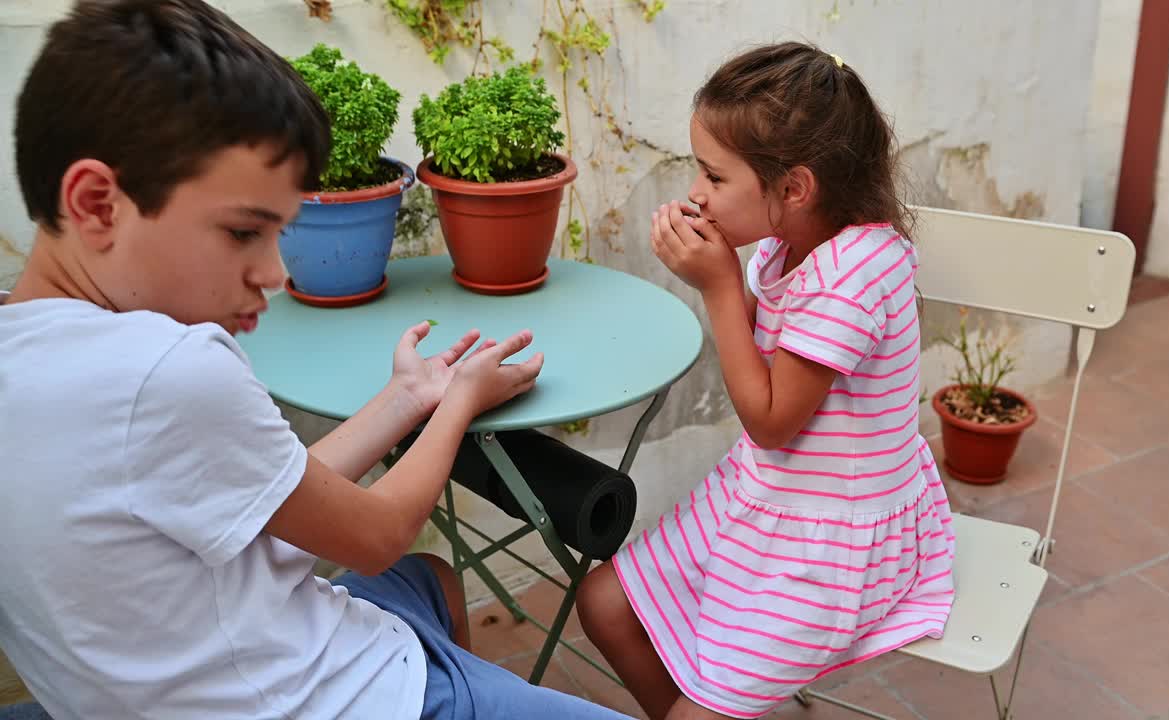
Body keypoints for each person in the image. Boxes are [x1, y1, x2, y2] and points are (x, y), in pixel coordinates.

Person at [0, 2, 635, 718]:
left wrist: (404, 397)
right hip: (320, 697)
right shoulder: (168, 368)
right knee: (407, 565)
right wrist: (456, 402)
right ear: (96, 204)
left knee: (428, 577)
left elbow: (268, 487)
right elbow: (375, 535)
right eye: (244, 231)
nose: (273, 271)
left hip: (201, 665)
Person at [576, 42, 956, 720]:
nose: (696, 191)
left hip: (834, 542)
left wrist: (719, 287)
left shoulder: (856, 275)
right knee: (603, 604)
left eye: (714, 177)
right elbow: (766, 359)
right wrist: (724, 276)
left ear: (794, 188)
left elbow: (774, 421)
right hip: (763, 499)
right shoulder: (789, 245)